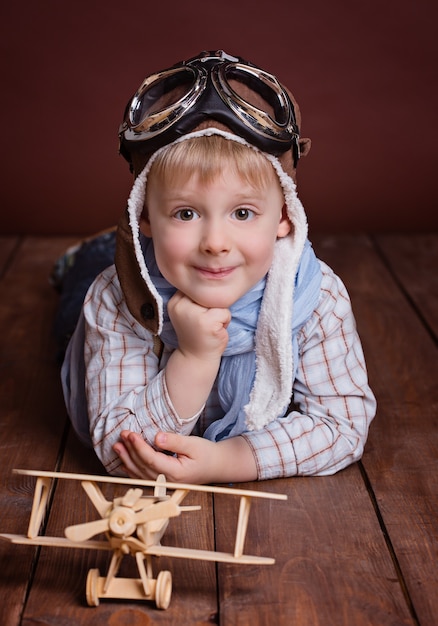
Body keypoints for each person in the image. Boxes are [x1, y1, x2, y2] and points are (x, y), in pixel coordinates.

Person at [61, 50, 376, 484]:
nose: (214, 244)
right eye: (186, 214)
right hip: (136, 274)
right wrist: (193, 357)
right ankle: (85, 256)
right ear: (144, 218)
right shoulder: (117, 297)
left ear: (285, 216)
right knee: (75, 298)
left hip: (173, 261)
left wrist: (229, 460)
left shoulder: (316, 295)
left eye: (242, 213)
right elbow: (120, 450)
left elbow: (343, 425)